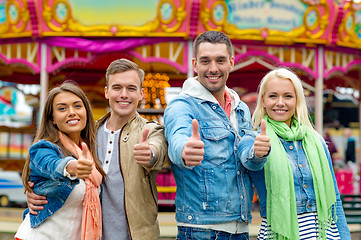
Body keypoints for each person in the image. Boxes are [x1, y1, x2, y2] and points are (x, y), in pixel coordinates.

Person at [26, 59, 168, 239]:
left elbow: (158, 148)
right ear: (107, 92)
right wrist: (36, 193)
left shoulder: (151, 131)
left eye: (131, 88)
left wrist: (151, 154)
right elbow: (48, 164)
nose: (124, 94)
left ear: (141, 94)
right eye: (117, 88)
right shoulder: (85, 134)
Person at [164, 30, 270, 239]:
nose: (213, 68)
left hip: (240, 227)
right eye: (205, 61)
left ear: (231, 63)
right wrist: (185, 151)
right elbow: (178, 137)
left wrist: (258, 154)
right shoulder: (182, 105)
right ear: (195, 64)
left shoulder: (240, 108)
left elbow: (248, 164)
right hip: (201, 230)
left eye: (220, 60)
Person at [241, 68, 350, 239]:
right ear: (263, 101)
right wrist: (258, 153)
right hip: (279, 232)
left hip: (324, 232)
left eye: (288, 96)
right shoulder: (253, 139)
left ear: (297, 100)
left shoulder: (317, 140)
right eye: (273, 96)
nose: (280, 102)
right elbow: (250, 159)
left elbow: (334, 198)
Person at [15, 82, 106, 240]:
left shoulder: (91, 151)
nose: (71, 112)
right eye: (62, 108)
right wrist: (72, 167)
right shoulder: (42, 149)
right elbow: (51, 164)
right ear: (53, 119)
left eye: (77, 106)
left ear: (86, 111)